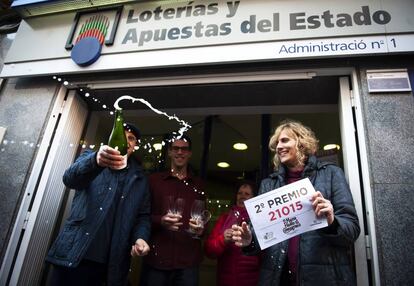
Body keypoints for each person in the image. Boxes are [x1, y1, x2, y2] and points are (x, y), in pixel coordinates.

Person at [232, 120, 360, 286]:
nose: (278, 146)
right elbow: (260, 235)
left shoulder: (331, 174)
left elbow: (352, 230)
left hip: (323, 278)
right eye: (277, 143)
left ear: (302, 142)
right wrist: (249, 240)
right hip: (278, 278)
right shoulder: (268, 184)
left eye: (285, 140)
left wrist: (331, 221)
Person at [46, 122, 151, 286]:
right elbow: (69, 179)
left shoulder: (140, 179)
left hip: (110, 265)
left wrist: (140, 237)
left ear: (135, 146)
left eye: (131, 138)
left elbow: (143, 216)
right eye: (121, 136)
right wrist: (95, 160)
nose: (126, 141)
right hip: (74, 254)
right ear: (111, 139)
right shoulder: (90, 157)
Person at [140, 134, 206, 286]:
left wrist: (200, 228)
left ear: (189, 154)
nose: (180, 152)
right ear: (169, 152)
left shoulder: (199, 185)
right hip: (157, 260)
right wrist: (160, 220)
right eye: (175, 148)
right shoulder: (153, 181)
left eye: (184, 149)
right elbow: (141, 216)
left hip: (188, 262)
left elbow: (203, 219)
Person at [204, 181, 260, 286]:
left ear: (254, 198)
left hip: (252, 280)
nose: (242, 196)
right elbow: (209, 251)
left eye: (247, 194)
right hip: (225, 279)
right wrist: (223, 240)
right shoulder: (224, 218)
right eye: (240, 193)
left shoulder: (258, 220)